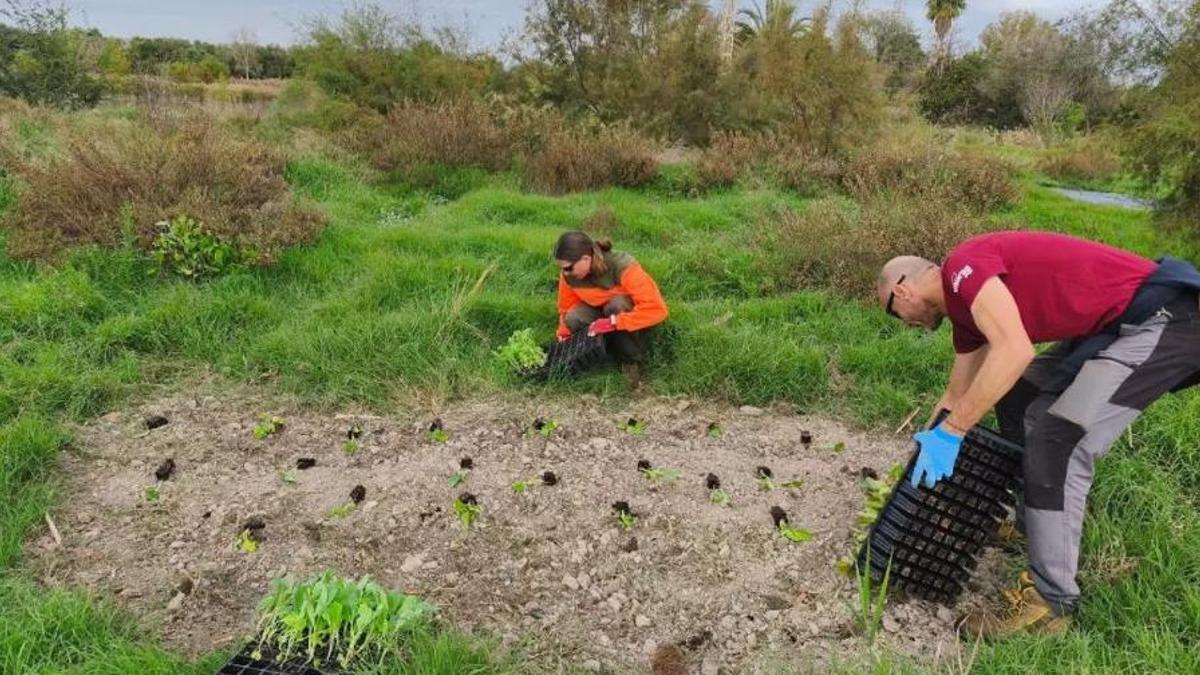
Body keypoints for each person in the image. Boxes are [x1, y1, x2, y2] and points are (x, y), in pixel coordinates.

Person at [877, 230, 1200, 639]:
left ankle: (1051, 602)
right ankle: (1036, 525)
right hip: (1114, 324)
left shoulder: (963, 266)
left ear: (901, 293)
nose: (907, 326)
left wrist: (955, 431)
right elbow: (955, 395)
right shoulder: (966, 314)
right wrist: (925, 450)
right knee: (1018, 395)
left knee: (1058, 443)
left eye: (895, 316)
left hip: (1163, 319)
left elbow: (1014, 351)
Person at [553, 231, 668, 382]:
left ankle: (631, 362)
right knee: (573, 318)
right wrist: (563, 332)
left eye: (568, 268)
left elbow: (657, 309)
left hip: (626, 313)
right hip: (598, 311)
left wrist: (613, 323)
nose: (564, 273)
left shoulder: (623, 267)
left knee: (615, 306)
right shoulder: (569, 276)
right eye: (562, 268)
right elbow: (566, 308)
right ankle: (600, 358)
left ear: (586, 258)